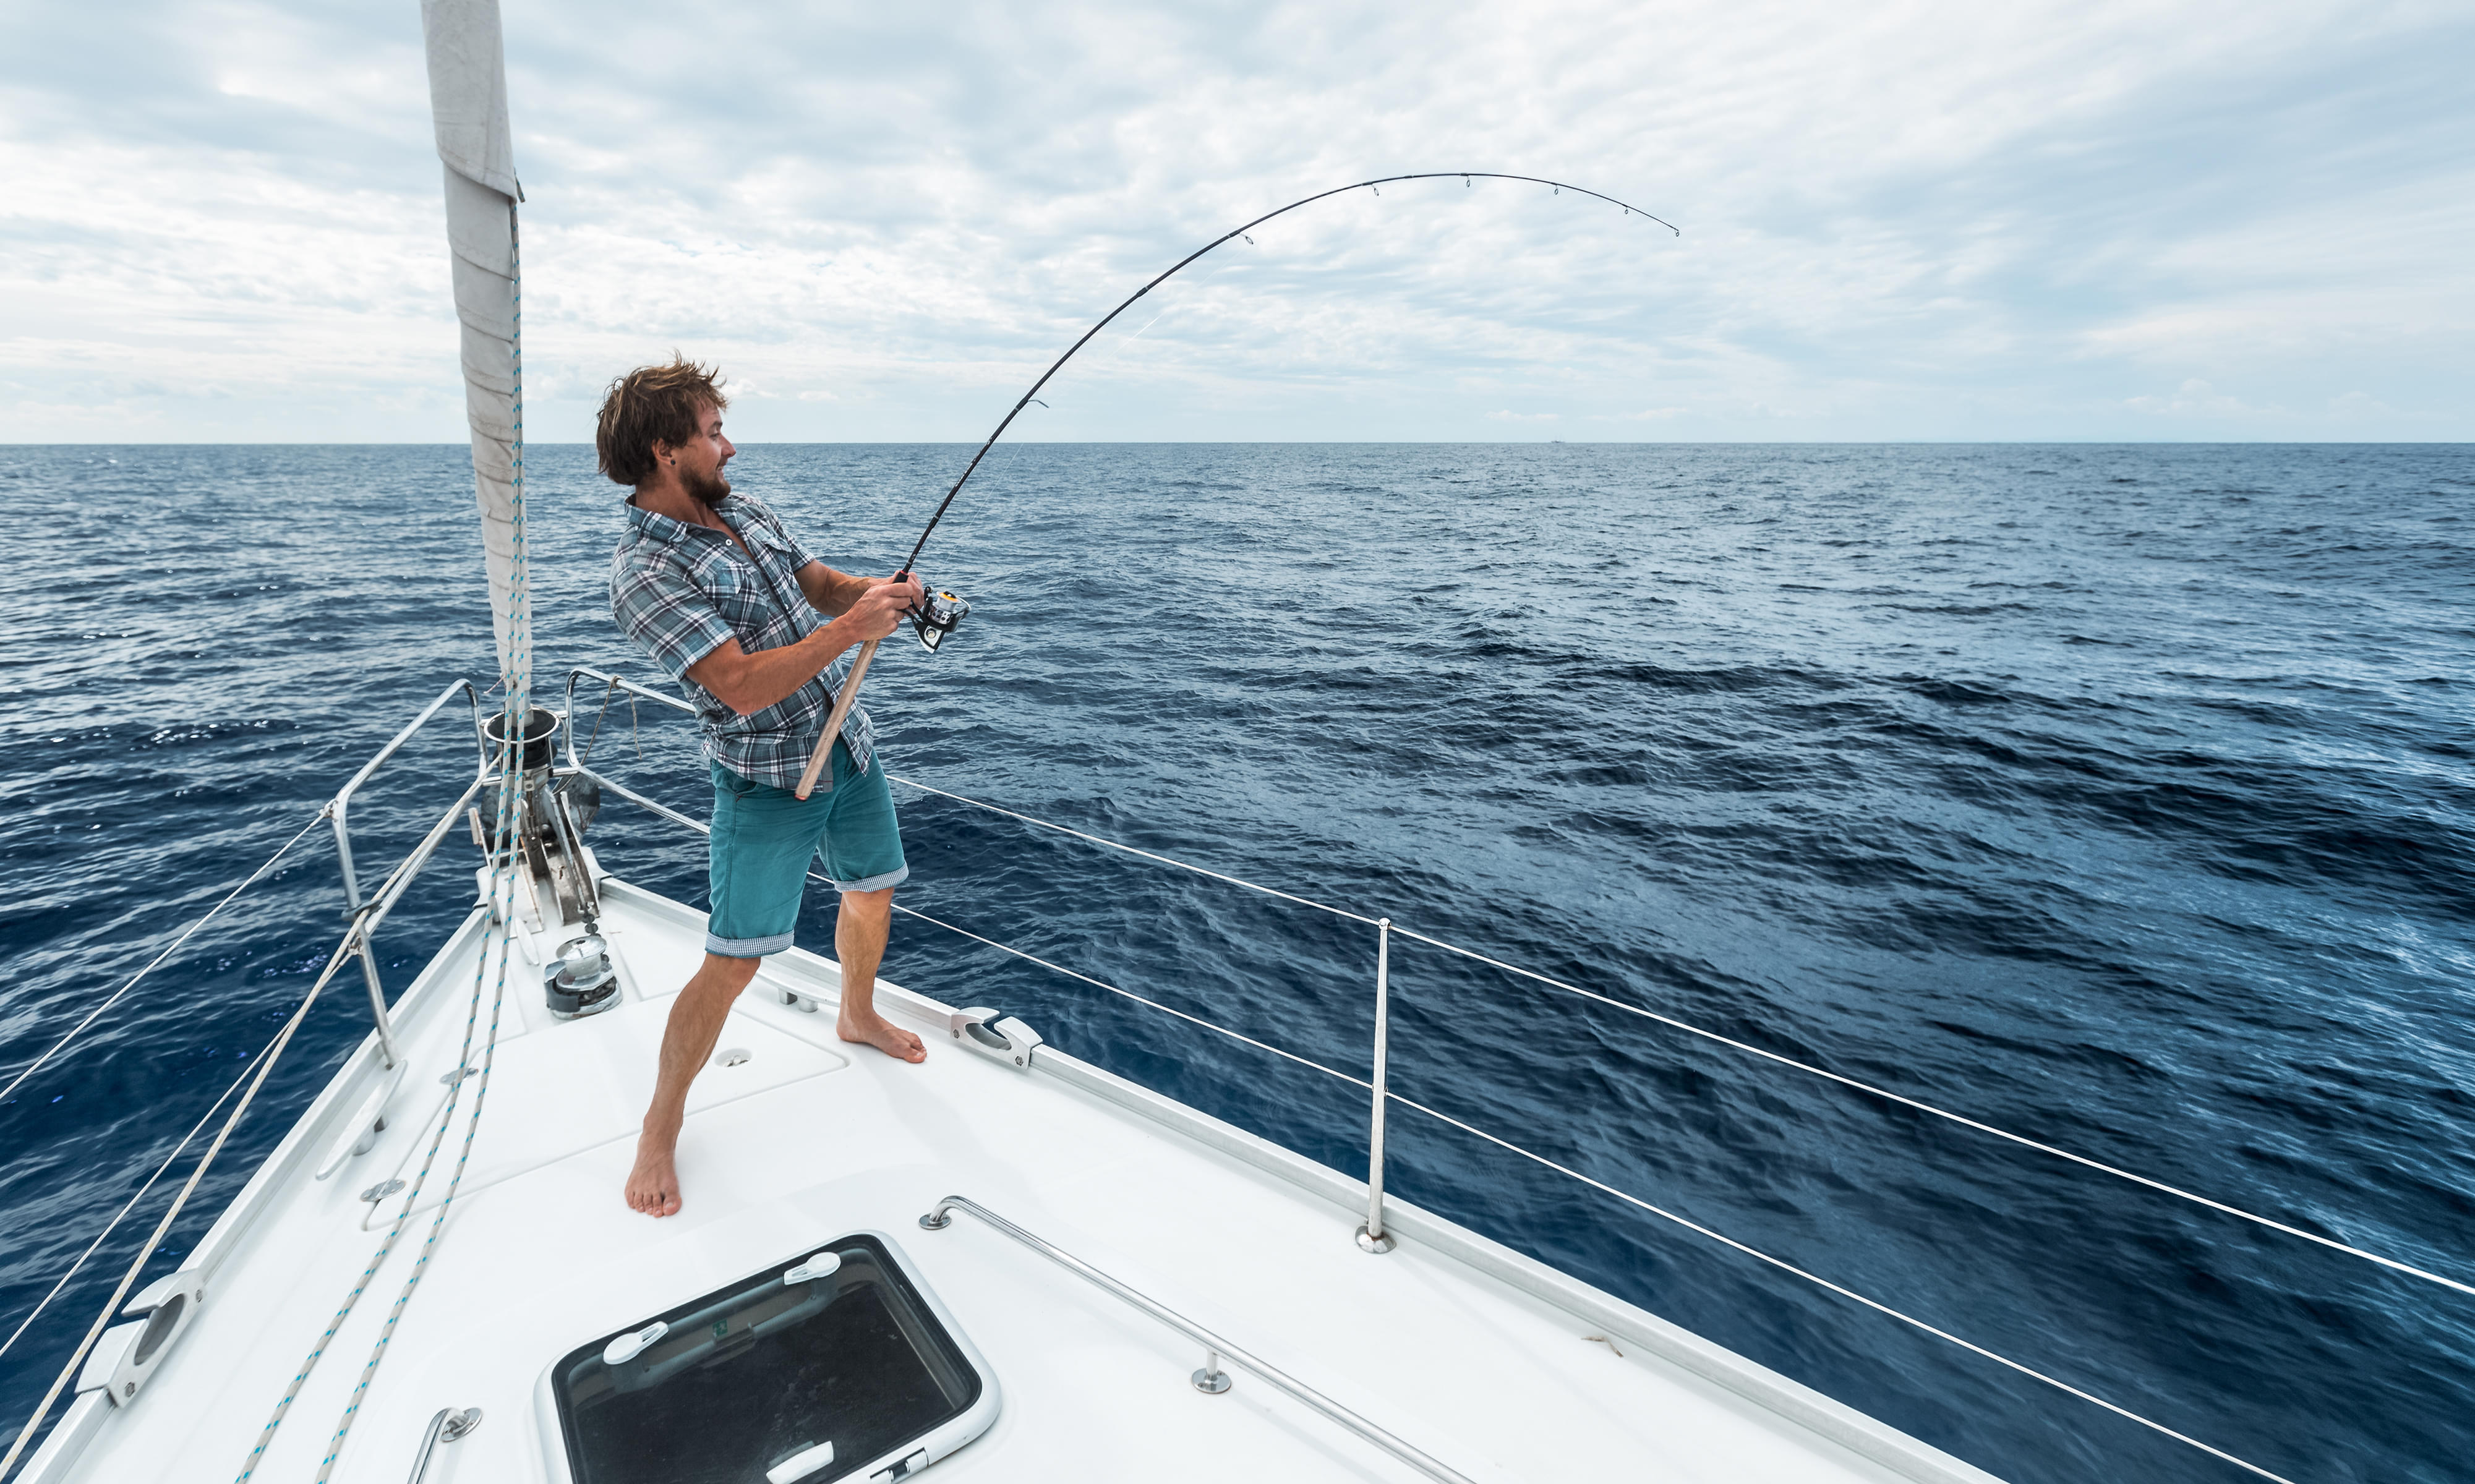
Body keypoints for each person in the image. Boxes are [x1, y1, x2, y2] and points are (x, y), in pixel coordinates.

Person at [601, 356, 926, 1218]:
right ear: (667, 451)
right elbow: (737, 684)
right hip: (763, 782)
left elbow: (817, 585)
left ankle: (854, 1015)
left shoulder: (742, 510)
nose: (729, 447)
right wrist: (852, 631)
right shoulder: (642, 575)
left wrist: (880, 595)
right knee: (733, 962)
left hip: (847, 748)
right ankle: (660, 1125)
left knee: (872, 893)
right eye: (712, 433)